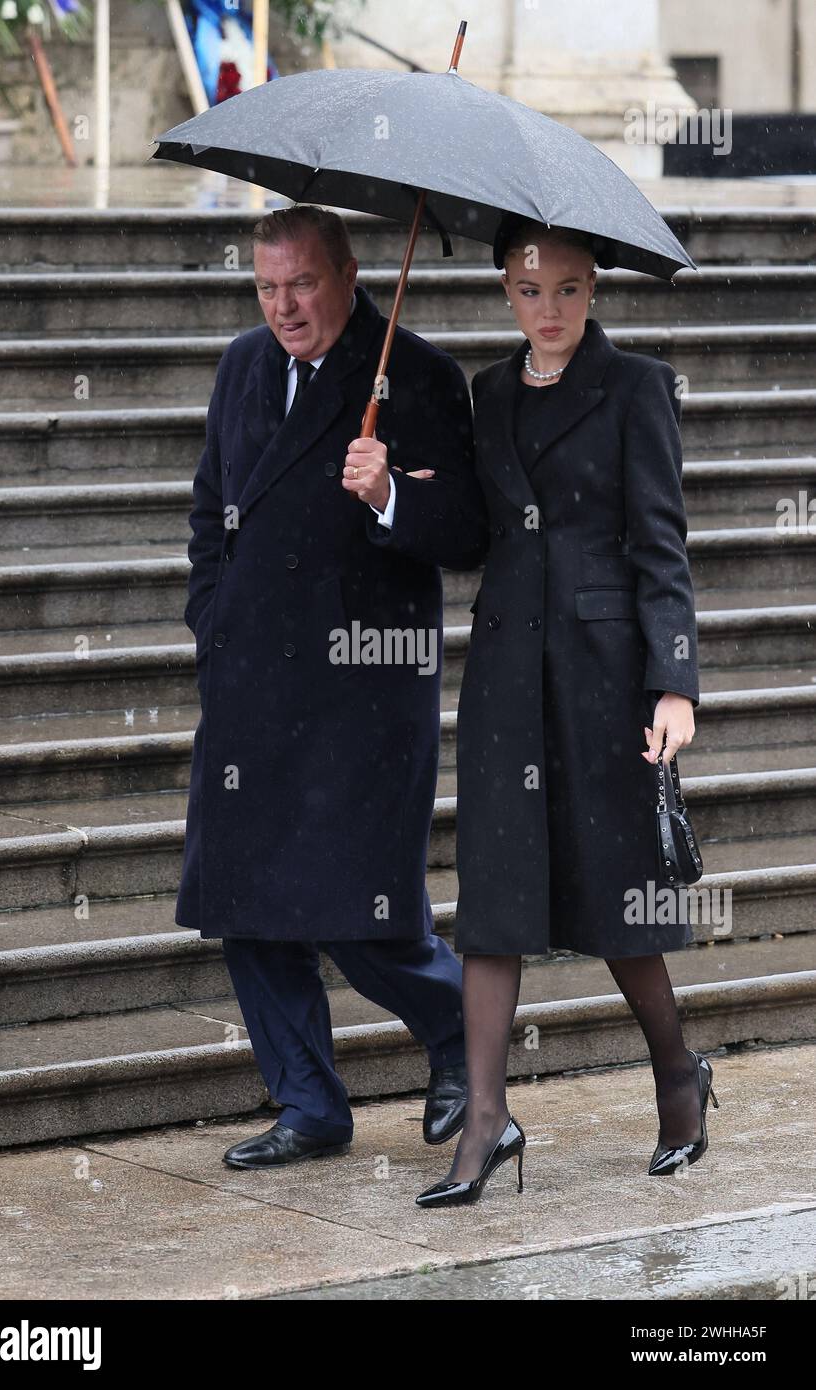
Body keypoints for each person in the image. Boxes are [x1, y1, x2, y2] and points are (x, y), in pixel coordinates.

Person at [176, 204, 488, 1169]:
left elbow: (470, 531)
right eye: (267, 288)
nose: (285, 308)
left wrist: (390, 491)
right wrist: (211, 616)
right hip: (251, 685)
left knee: (359, 911)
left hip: (364, 688)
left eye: (302, 284)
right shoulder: (241, 365)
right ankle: (309, 1102)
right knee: (245, 904)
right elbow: (208, 506)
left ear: (350, 276)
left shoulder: (420, 375)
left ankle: (459, 1042)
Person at [417, 213, 719, 1209]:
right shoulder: (486, 392)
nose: (547, 309)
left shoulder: (637, 389)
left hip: (602, 676)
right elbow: (470, 532)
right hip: (506, 676)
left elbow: (660, 546)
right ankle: (487, 1120)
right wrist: (388, 494)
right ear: (504, 289)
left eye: (567, 289)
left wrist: (672, 680)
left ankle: (676, 1071)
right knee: (492, 901)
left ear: (593, 289)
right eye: (528, 289)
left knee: (616, 896)